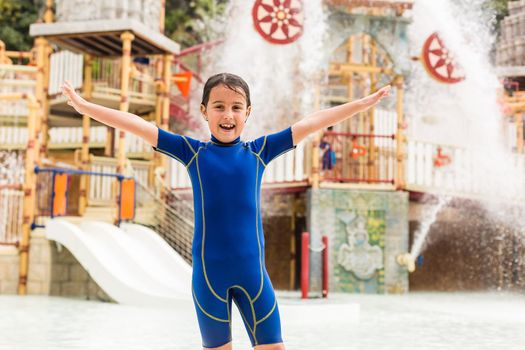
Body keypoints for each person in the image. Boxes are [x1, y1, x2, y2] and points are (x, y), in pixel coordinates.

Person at [61, 73, 390, 350]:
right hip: (209, 280)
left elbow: (310, 123)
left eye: (236, 107)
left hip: (255, 279)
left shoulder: (260, 152)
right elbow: (138, 126)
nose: (227, 115)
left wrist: (360, 105)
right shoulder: (191, 152)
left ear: (248, 112)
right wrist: (85, 106)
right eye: (219, 107)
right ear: (204, 111)